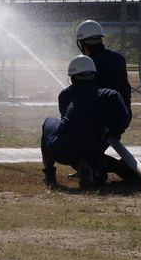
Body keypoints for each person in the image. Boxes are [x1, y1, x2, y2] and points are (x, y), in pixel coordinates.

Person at [41, 55, 130, 189]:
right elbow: (123, 121)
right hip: (92, 150)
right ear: (95, 75)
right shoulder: (112, 95)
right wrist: (109, 132)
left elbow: (71, 121)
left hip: (62, 150)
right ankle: (95, 173)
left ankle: (49, 173)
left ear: (72, 78)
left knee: (49, 121)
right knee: (96, 161)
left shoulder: (65, 95)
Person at [72, 20, 141, 186]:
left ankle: (125, 171)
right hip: (123, 114)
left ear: (82, 43)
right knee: (91, 149)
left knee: (75, 148)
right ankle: (91, 167)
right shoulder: (117, 57)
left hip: (102, 118)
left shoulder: (89, 62)